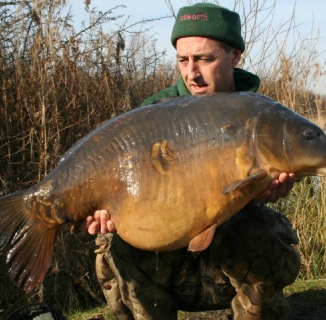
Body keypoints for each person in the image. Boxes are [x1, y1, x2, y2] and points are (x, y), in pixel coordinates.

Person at [81, 3, 300, 319]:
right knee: (114, 241)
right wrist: (103, 208)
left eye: (204, 59)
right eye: (183, 60)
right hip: (169, 261)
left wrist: (266, 191)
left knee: (264, 229)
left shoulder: (262, 114)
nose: (192, 73)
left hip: (225, 263)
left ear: (235, 56)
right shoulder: (156, 112)